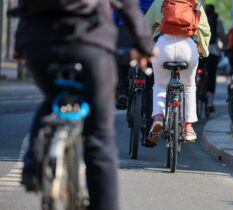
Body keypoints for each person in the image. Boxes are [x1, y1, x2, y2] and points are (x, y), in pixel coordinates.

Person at [13, 1, 155, 210]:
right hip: (90, 41)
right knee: (99, 136)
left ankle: (33, 163)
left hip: (38, 41)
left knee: (52, 98)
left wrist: (19, 43)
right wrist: (145, 45)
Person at [144, 0, 211, 146]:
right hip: (187, 47)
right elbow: (204, 30)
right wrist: (204, 51)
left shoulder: (159, 2)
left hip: (163, 46)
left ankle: (158, 118)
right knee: (188, 87)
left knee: (160, 85)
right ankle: (188, 127)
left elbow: (145, 26)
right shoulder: (195, 3)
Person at [114, 0, 154, 110]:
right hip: (149, 28)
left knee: (121, 58)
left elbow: (115, 18)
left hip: (125, 26)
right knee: (151, 80)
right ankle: (151, 121)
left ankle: (122, 91)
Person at [202, 4, 227, 113]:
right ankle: (210, 101)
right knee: (212, 76)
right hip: (213, 51)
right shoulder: (218, 21)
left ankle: (198, 90)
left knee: (195, 73)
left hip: (200, 51)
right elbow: (223, 36)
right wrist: (226, 47)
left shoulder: (199, 18)